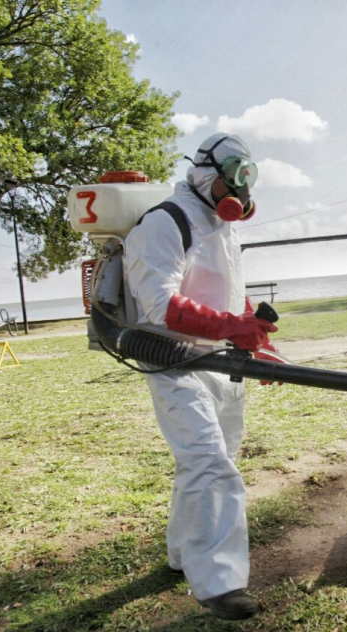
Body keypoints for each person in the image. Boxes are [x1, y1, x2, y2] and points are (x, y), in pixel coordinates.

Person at [123, 133, 278, 621]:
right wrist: (233, 327)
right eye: (233, 184)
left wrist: (258, 340)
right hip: (174, 361)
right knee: (209, 462)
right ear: (206, 175)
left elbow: (232, 294)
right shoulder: (163, 223)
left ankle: (180, 554)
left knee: (212, 459)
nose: (240, 196)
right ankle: (220, 584)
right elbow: (160, 306)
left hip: (221, 362)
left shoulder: (222, 227)